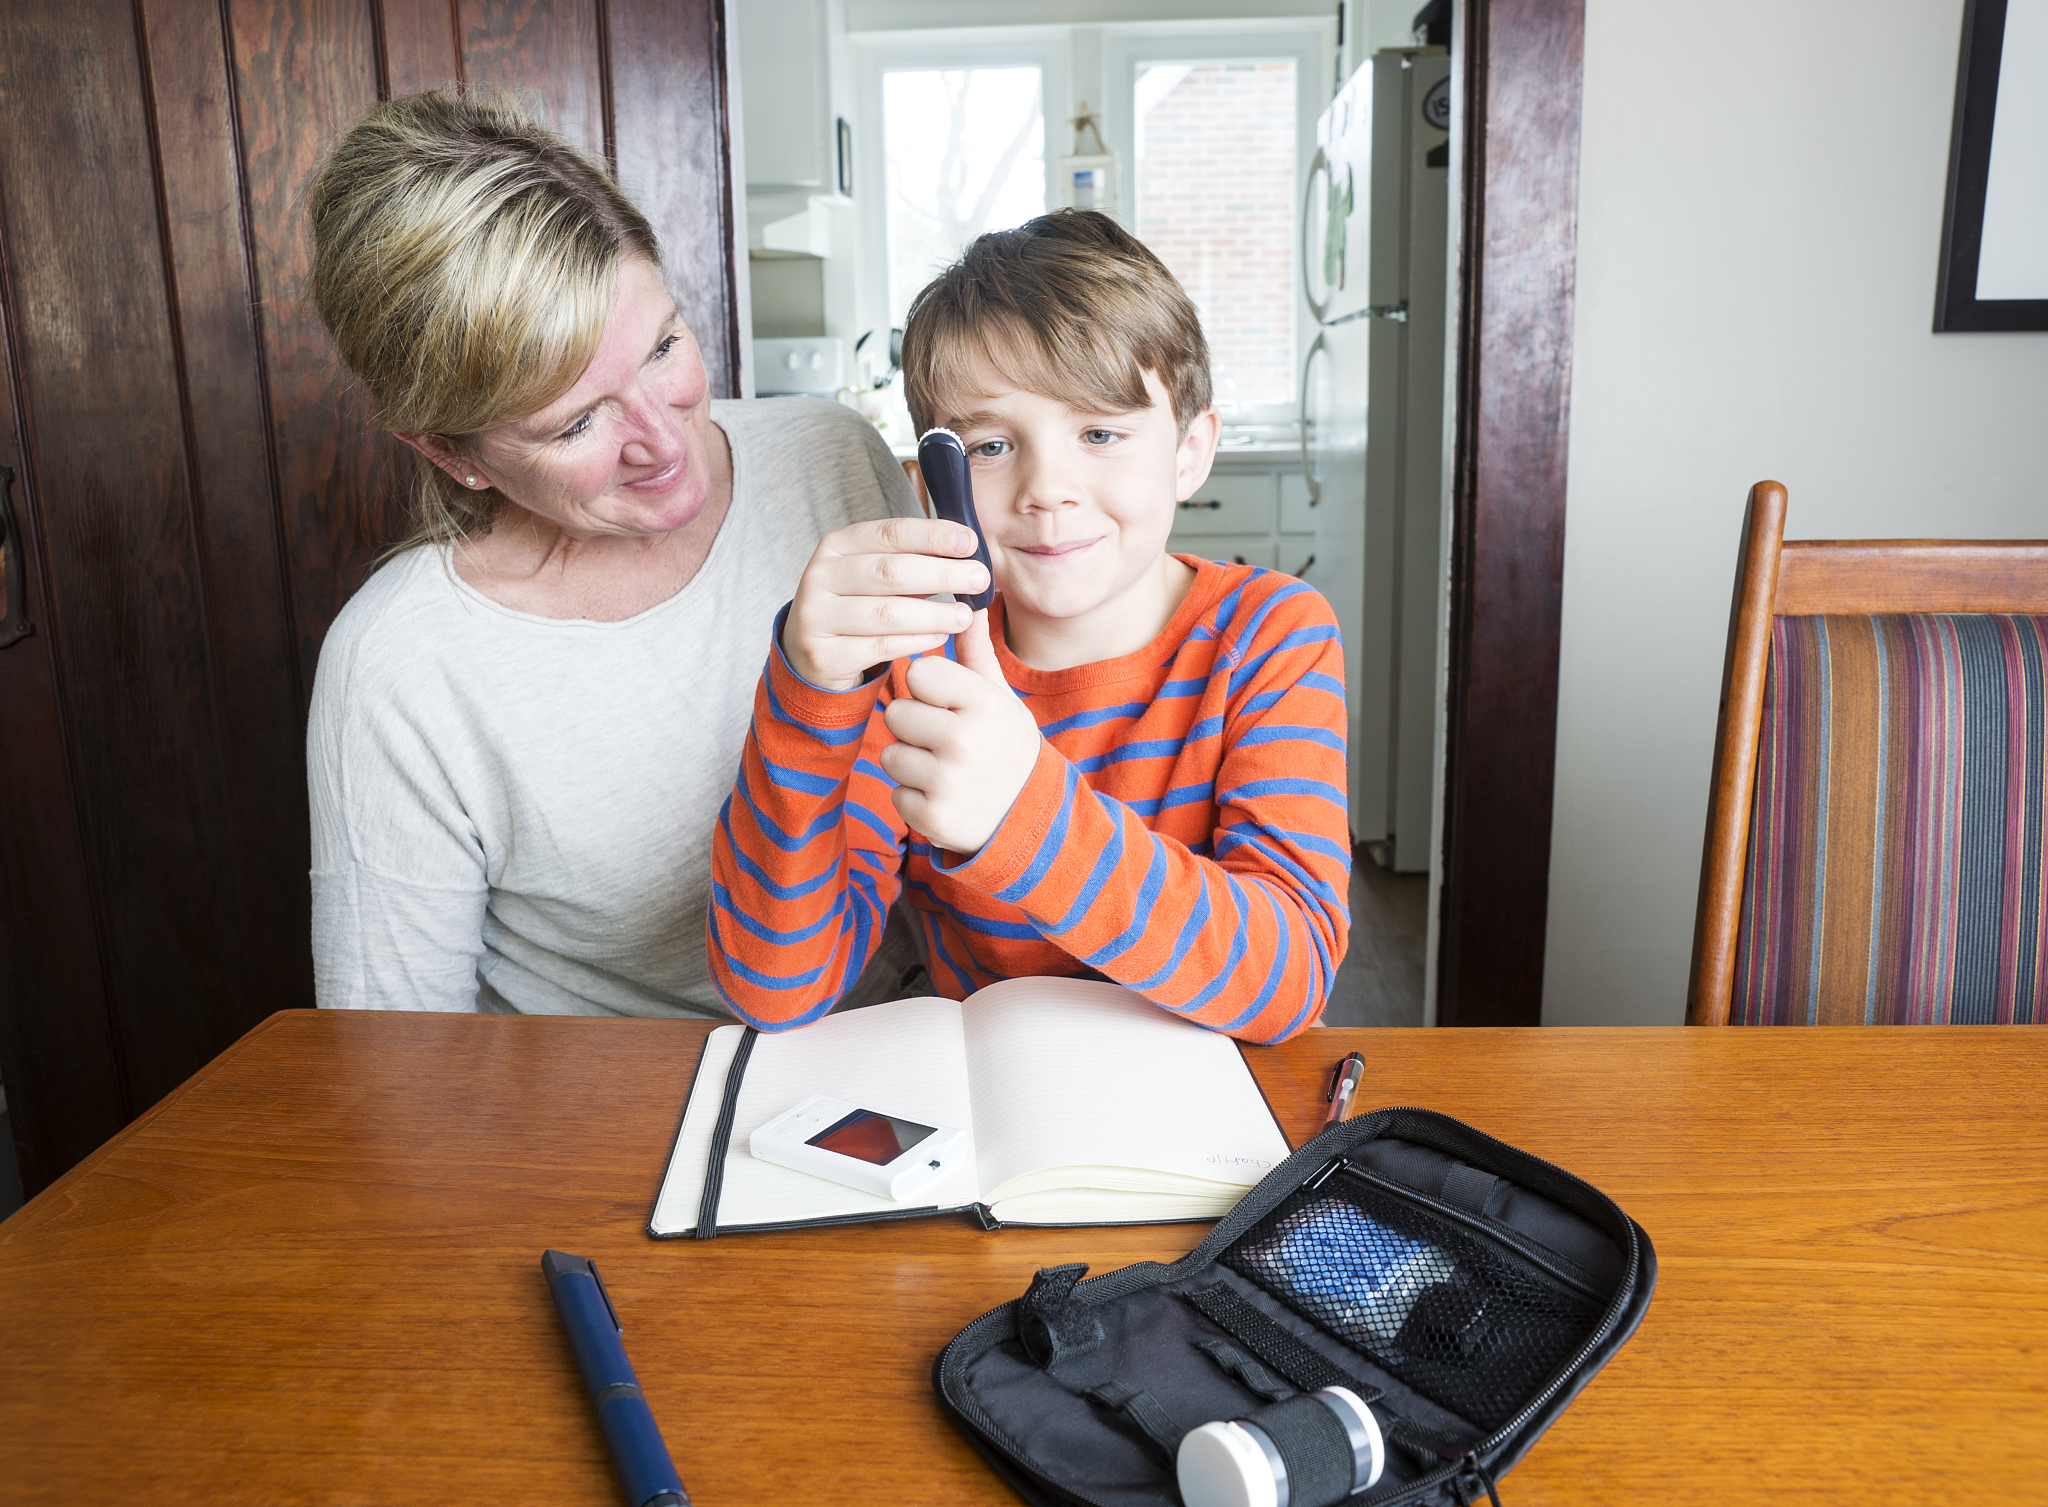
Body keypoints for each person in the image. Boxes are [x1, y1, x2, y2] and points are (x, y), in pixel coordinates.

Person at [304, 88, 919, 1016]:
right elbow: (399, 1069)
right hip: (630, 1131)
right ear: (450, 451)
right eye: (576, 421)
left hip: (913, 1070)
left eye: (664, 346)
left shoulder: (832, 458)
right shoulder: (399, 669)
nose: (662, 445)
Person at [707, 210, 1350, 1043]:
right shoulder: (913, 668)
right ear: (932, 484)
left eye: (1099, 432)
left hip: (1214, 1104)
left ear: (1190, 450)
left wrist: (1024, 812)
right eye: (990, 447)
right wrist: (807, 698)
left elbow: (1289, 976)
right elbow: (773, 990)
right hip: (988, 1113)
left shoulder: (1272, 635)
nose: (1048, 486)